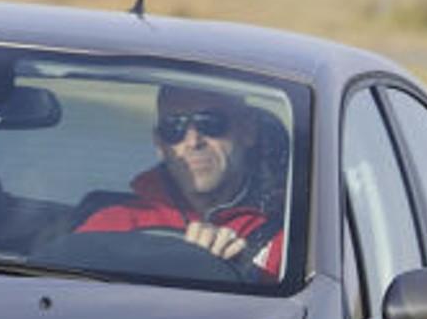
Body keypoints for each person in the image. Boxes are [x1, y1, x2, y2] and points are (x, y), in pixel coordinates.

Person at [75, 84, 287, 280]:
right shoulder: (113, 225)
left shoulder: (288, 240)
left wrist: (239, 272)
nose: (193, 141)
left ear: (248, 130)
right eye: (173, 127)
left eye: (210, 123)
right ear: (159, 143)